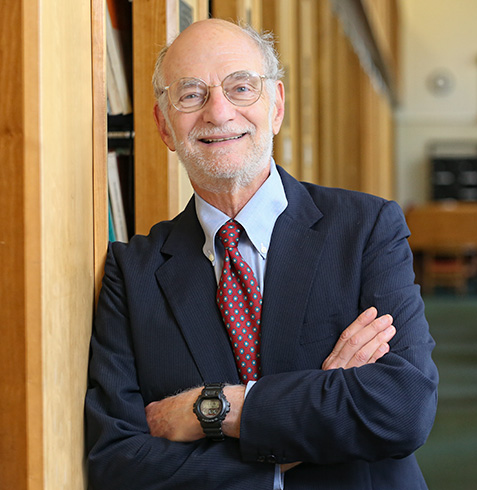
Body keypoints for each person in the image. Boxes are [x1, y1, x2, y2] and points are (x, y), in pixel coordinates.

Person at [85, 19, 438, 490]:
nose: (218, 112)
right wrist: (309, 417)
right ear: (164, 126)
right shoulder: (131, 274)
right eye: (190, 95)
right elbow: (119, 464)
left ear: (276, 106)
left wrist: (211, 409)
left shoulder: (367, 229)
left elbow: (404, 408)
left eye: (241, 88)